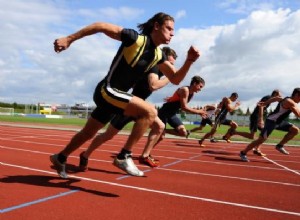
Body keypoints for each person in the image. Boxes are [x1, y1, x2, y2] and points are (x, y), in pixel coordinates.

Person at [50, 12, 200, 178]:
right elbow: (101, 25)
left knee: (88, 133)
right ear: (156, 26)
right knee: (150, 112)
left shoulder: (158, 55)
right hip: (106, 90)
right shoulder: (135, 39)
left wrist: (189, 61)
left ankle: (61, 157)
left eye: (173, 30)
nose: (172, 33)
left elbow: (176, 78)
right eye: (169, 28)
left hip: (116, 96)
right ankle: (124, 156)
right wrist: (69, 39)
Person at [78, 47, 177, 171]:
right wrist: (170, 77)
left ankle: (144, 155)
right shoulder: (155, 67)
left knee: (160, 127)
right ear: (164, 60)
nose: (172, 68)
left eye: (173, 65)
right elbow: (153, 85)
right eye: (171, 64)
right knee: (108, 135)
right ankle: (85, 154)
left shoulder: (158, 71)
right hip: (129, 105)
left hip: (140, 107)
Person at [137, 75, 207, 167]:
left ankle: (163, 132)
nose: (200, 89)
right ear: (194, 83)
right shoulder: (185, 90)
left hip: (172, 114)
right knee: (160, 137)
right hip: (164, 113)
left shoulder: (191, 93)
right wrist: (199, 112)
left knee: (183, 132)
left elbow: (178, 100)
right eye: (200, 86)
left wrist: (171, 98)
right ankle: (146, 154)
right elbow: (184, 107)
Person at [239, 88, 300, 162]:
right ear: (296, 95)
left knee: (295, 130)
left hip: (279, 122)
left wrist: (265, 103)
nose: (299, 101)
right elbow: (298, 114)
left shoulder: (285, 99)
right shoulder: (290, 102)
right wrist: (265, 104)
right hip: (271, 121)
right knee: (261, 139)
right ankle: (243, 152)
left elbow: (276, 98)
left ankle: (279, 146)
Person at [231, 89, 282, 156]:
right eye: (279, 95)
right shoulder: (268, 97)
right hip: (255, 117)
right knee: (258, 135)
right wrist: (260, 119)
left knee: (261, 135)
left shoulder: (269, 99)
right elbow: (261, 106)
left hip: (256, 117)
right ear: (275, 94)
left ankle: (256, 149)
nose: (280, 97)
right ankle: (234, 132)